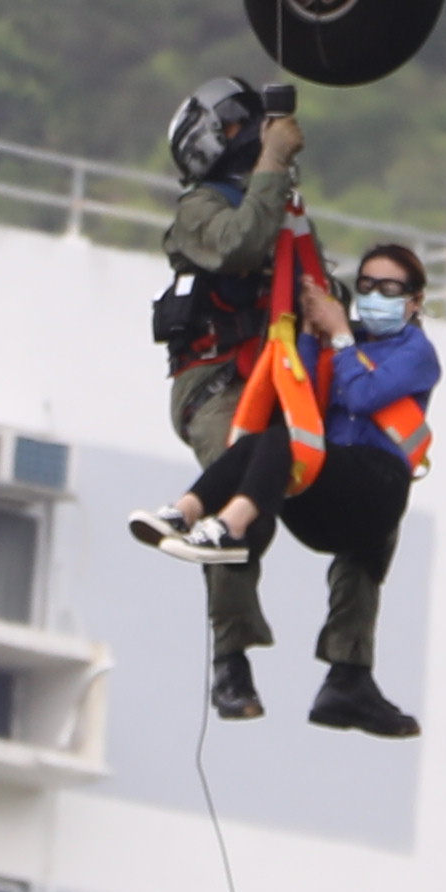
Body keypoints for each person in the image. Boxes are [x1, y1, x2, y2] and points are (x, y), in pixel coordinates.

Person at [131, 232, 438, 742]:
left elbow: (362, 394)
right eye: (366, 286)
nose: (375, 297)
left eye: (390, 288)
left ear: (414, 300)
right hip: (330, 496)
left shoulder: (415, 352)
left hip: (375, 490)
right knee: (262, 444)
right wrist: (308, 322)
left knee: (283, 445)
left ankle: (224, 526)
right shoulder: (346, 338)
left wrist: (339, 335)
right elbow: (305, 378)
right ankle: (187, 512)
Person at [147, 73, 304, 720]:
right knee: (244, 499)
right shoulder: (198, 212)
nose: (253, 134)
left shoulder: (277, 208)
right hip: (217, 383)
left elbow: (311, 279)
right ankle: (229, 662)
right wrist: (272, 163)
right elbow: (239, 249)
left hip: (282, 374)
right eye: (243, 123)